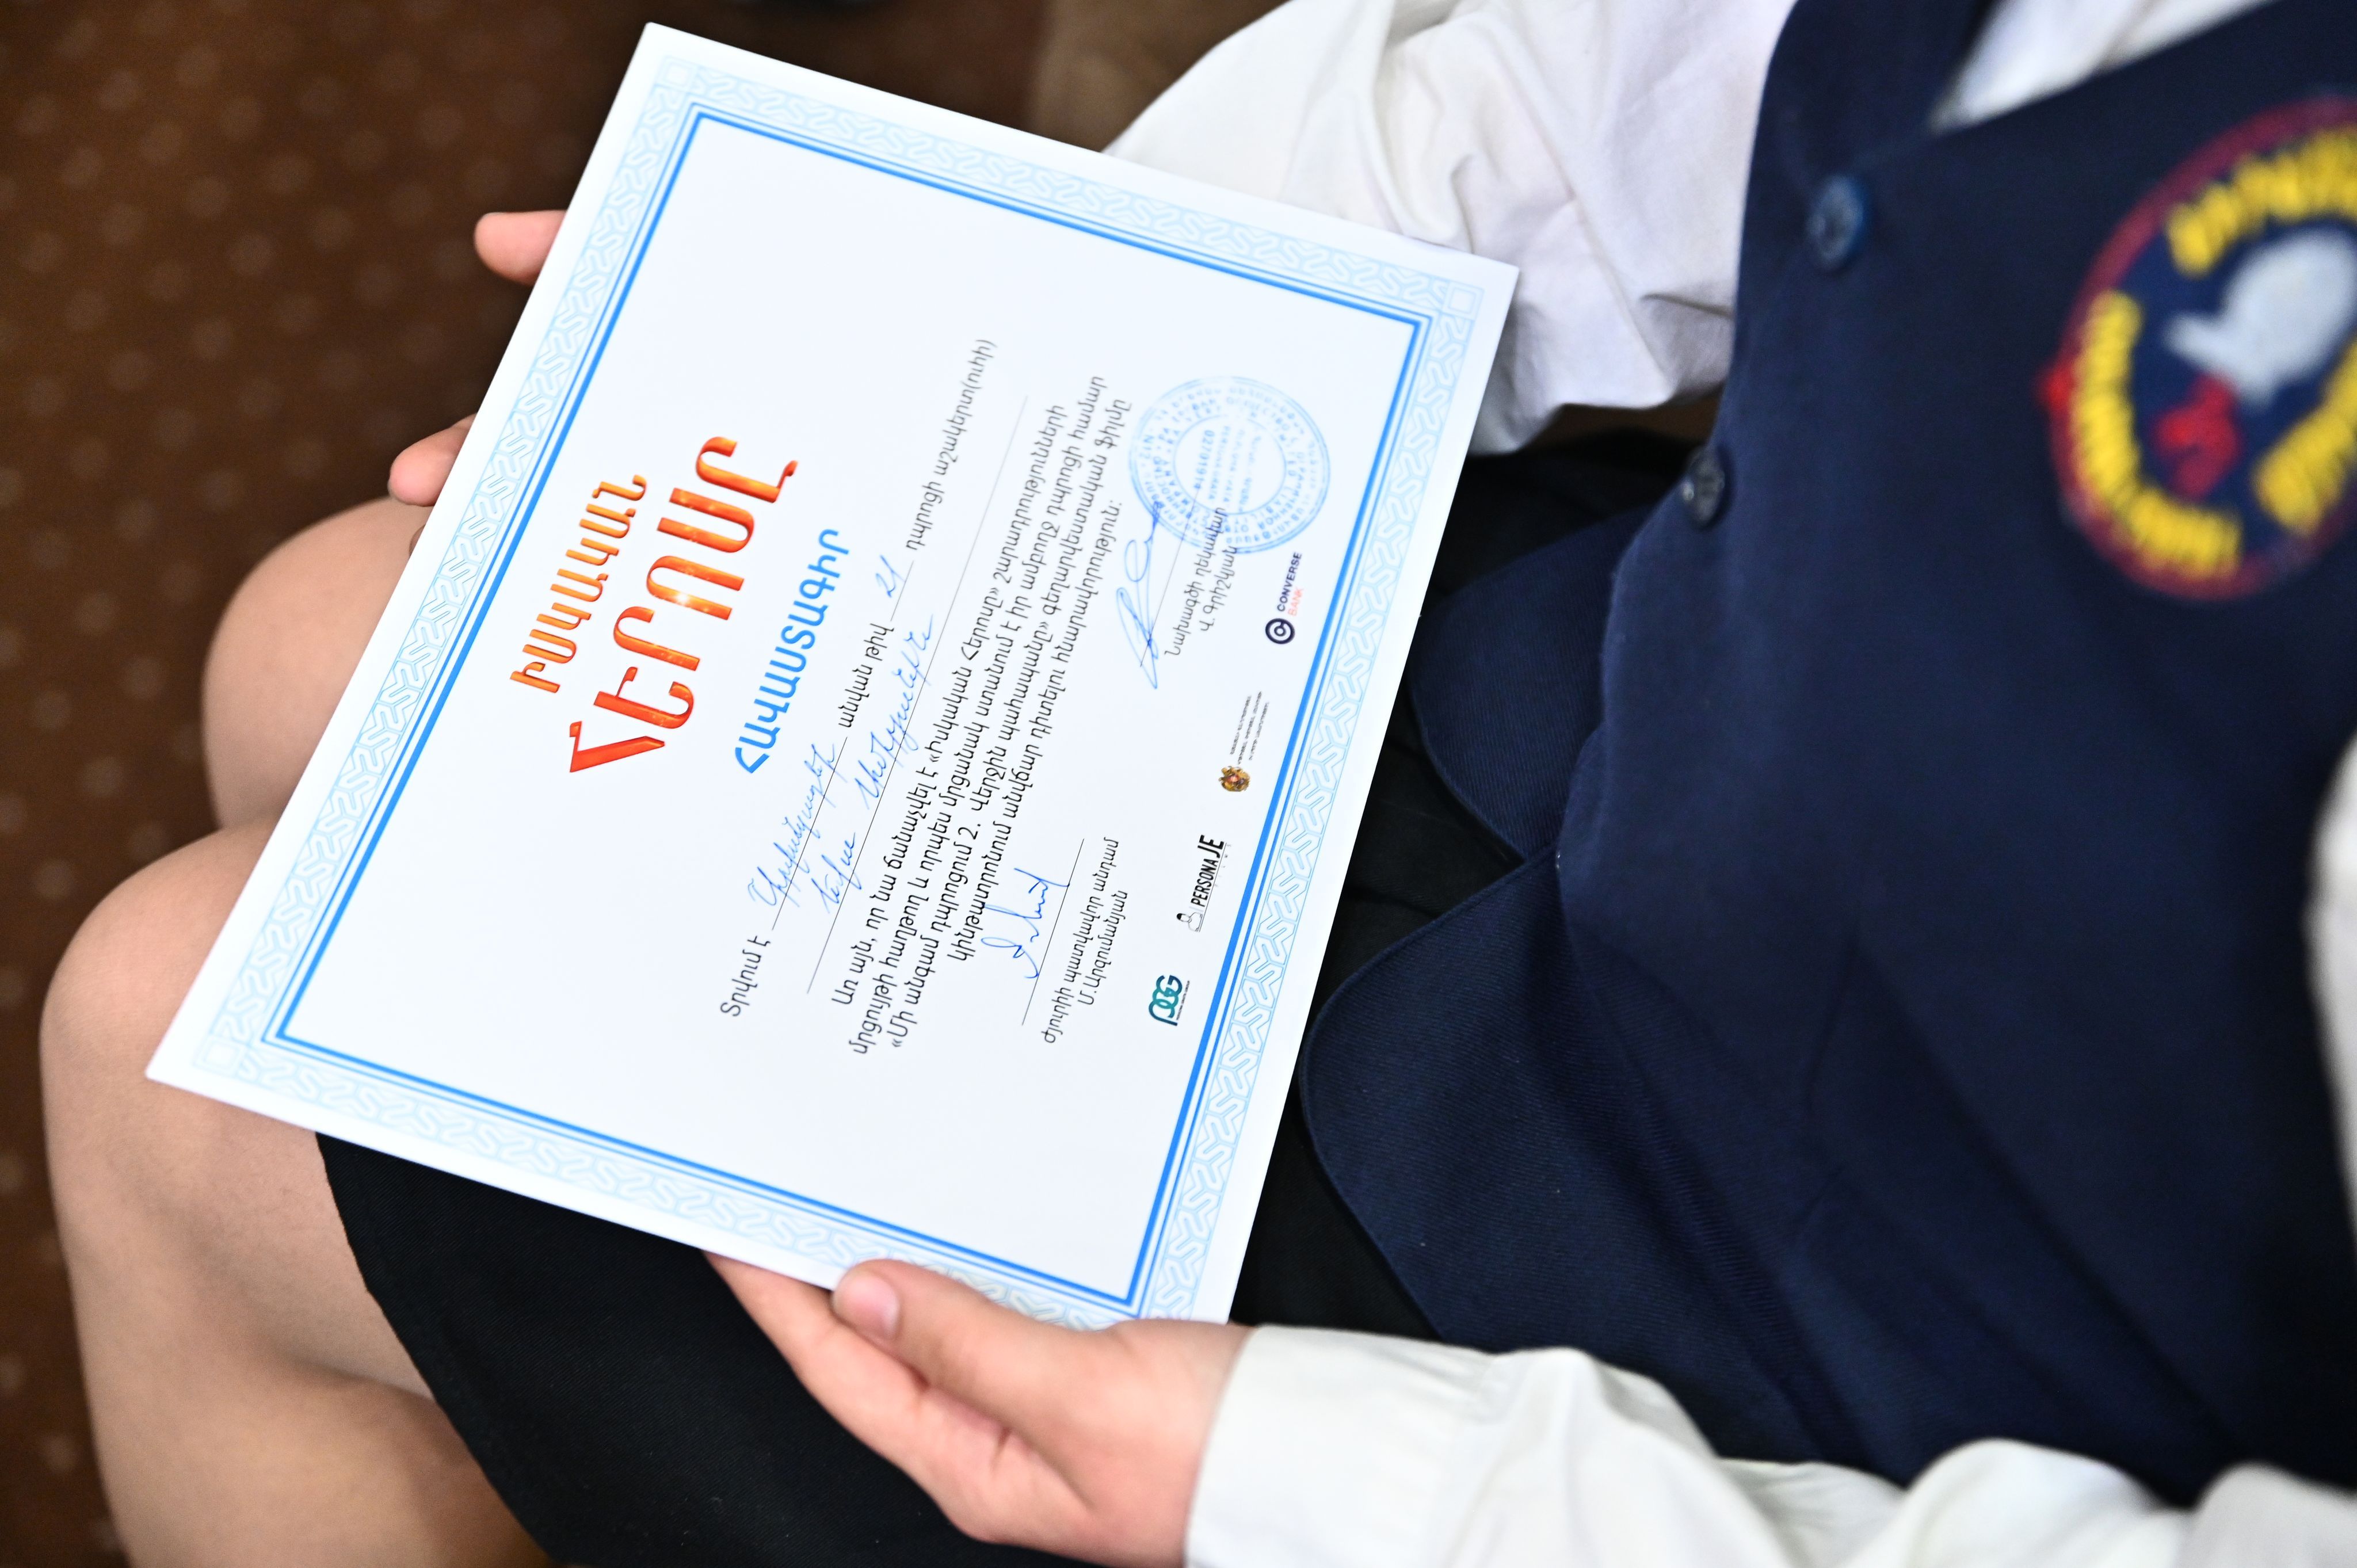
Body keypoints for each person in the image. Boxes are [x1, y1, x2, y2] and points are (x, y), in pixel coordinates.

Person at [40, 0, 2357, 1563]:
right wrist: (966, 298)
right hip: (1620, 705)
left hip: (1739, 1387)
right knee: (330, 640)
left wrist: (1318, 1486)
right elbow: (1615, 98)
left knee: (157, 1049)